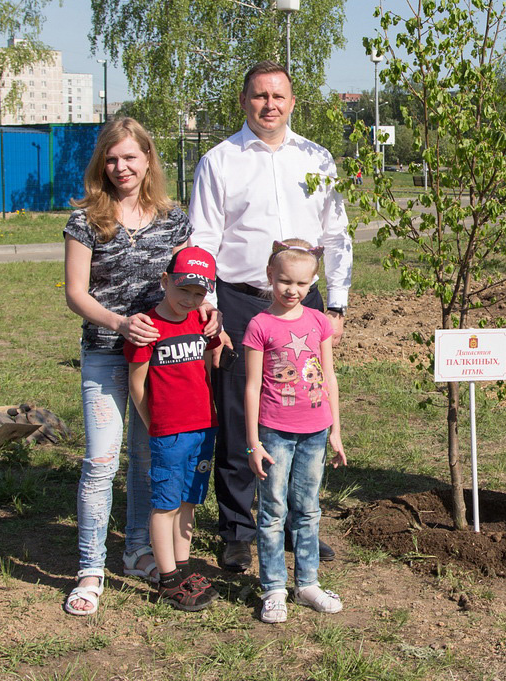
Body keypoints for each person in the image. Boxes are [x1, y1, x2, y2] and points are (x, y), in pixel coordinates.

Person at [189, 61, 352, 572]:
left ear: (292, 102)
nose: (269, 105)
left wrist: (338, 303)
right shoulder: (220, 161)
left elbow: (336, 236)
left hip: (305, 305)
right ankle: (238, 529)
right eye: (259, 95)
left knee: (302, 410)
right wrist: (209, 309)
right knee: (241, 416)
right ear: (243, 102)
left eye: (278, 96)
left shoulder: (316, 159)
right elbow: (203, 239)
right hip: (241, 302)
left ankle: (294, 523)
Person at [62, 118, 217, 616]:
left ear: (148, 158)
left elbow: (188, 280)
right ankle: (90, 567)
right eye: (111, 159)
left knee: (148, 459)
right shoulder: (86, 218)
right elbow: (75, 293)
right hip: (107, 353)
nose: (120, 167)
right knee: (101, 462)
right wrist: (120, 323)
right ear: (100, 165)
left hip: (164, 361)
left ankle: (136, 551)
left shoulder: (173, 218)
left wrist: (206, 311)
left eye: (130, 157)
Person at [243, 239, 347, 623]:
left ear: (313, 282)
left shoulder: (319, 321)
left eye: (302, 284)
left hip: (315, 433)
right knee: (271, 511)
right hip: (274, 434)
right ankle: (273, 588)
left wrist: (335, 430)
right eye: (285, 281)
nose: (293, 290)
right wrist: (253, 442)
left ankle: (307, 584)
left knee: (308, 509)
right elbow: (251, 386)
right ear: (270, 276)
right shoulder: (260, 325)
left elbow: (330, 378)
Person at [126, 246, 222, 611]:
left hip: (203, 427)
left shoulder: (201, 321)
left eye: (199, 293)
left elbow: (211, 358)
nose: (190, 299)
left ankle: (182, 566)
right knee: (164, 504)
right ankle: (166, 578)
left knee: (189, 499)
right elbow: (138, 384)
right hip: (168, 432)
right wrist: (155, 424)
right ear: (165, 281)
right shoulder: (148, 327)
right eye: (183, 289)